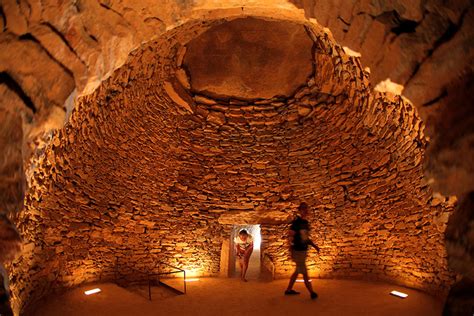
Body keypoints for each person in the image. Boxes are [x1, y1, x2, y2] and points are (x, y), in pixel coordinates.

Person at [285, 202, 320, 299]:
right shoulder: (296, 222)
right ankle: (312, 292)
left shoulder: (306, 223)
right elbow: (290, 236)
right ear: (299, 210)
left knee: (297, 271)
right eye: (303, 208)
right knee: (304, 272)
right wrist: (290, 250)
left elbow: (305, 237)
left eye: (306, 208)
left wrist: (314, 245)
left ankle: (288, 290)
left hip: (303, 250)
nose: (305, 210)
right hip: (297, 251)